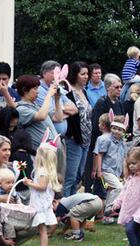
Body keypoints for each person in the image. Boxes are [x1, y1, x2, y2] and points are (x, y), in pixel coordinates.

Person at [23, 132, 62, 246]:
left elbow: (42, 187)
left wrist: (29, 183)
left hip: (40, 205)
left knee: (42, 229)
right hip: (42, 203)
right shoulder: (46, 170)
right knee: (42, 229)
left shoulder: (43, 171)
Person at [83, 73, 124, 192]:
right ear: (107, 88)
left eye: (120, 87)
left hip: (114, 147)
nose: (119, 89)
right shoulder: (102, 103)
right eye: (116, 87)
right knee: (97, 178)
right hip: (101, 145)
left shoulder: (119, 103)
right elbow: (96, 126)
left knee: (111, 180)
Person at [64, 61, 93, 196]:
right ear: (75, 75)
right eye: (83, 74)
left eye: (87, 74)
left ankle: (72, 203)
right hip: (74, 139)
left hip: (86, 139)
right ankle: (63, 206)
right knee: (70, 176)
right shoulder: (68, 93)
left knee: (78, 176)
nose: (86, 76)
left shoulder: (84, 92)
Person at [92, 113, 128, 218]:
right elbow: (99, 155)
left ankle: (105, 215)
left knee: (111, 190)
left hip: (116, 171)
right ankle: (109, 208)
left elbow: (123, 159)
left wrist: (123, 174)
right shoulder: (106, 140)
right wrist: (98, 171)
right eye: (114, 128)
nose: (116, 131)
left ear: (124, 131)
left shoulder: (123, 143)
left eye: (120, 129)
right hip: (106, 170)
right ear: (111, 127)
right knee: (119, 188)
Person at [15, 75, 62, 149]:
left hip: (52, 150)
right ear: (24, 90)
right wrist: (49, 95)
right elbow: (41, 116)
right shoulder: (21, 109)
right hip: (40, 153)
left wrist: (57, 99)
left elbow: (58, 118)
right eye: (35, 88)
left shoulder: (37, 106)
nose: (38, 92)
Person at [35, 61, 77, 136]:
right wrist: (65, 113)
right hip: (48, 137)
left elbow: (74, 109)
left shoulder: (58, 87)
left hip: (61, 138)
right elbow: (53, 117)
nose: (57, 76)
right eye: (54, 73)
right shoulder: (38, 90)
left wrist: (60, 110)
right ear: (44, 74)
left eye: (59, 73)